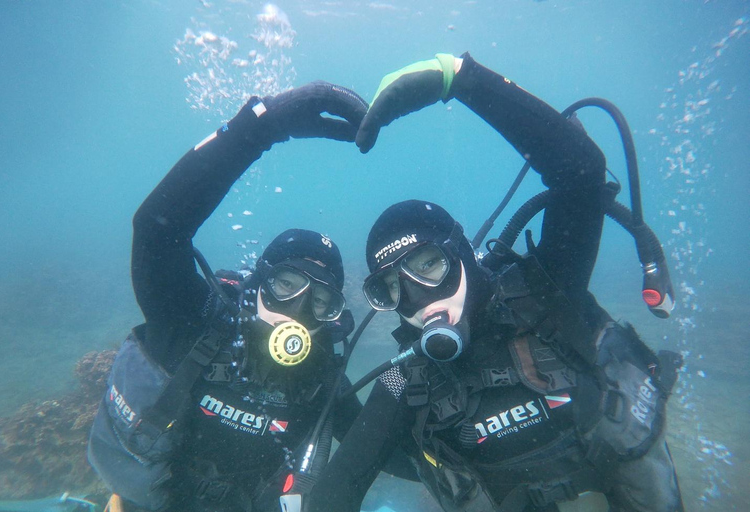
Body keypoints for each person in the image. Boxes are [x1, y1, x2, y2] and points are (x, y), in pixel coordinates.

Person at [307, 54, 684, 511]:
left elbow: (580, 172)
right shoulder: (404, 381)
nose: (418, 299)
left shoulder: (548, 292)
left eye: (429, 265)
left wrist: (462, 78)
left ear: (463, 255)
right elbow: (340, 483)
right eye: (392, 288)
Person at [87, 82, 370, 512]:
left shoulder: (322, 383)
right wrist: (254, 130)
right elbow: (156, 230)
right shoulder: (194, 323)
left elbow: (398, 451)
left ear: (333, 315)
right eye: (286, 285)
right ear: (256, 284)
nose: (297, 311)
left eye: (320, 301)